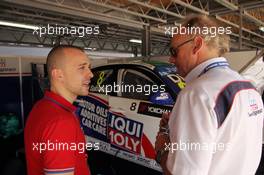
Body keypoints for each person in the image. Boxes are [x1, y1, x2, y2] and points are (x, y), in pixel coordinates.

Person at [155, 15, 264, 175]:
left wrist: (162, 149)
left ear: (197, 45)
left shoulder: (196, 94)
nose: (171, 59)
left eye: (174, 51)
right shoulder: (249, 88)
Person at [24, 45, 93, 175]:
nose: (90, 74)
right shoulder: (61, 121)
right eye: (82, 68)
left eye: (89, 67)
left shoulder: (42, 106)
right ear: (58, 74)